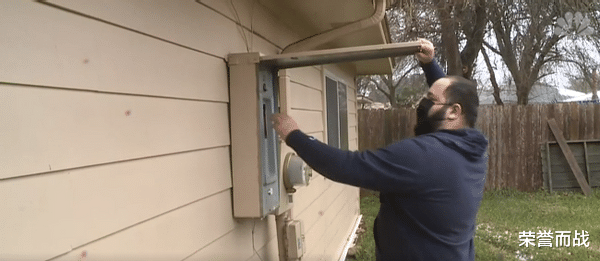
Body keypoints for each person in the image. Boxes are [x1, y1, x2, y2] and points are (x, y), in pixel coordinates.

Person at [271, 39, 488, 261]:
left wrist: (294, 135)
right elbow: (450, 98)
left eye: (430, 99)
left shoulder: (423, 156)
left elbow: (348, 166)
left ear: (453, 112)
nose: (422, 103)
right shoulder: (472, 149)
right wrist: (430, 65)